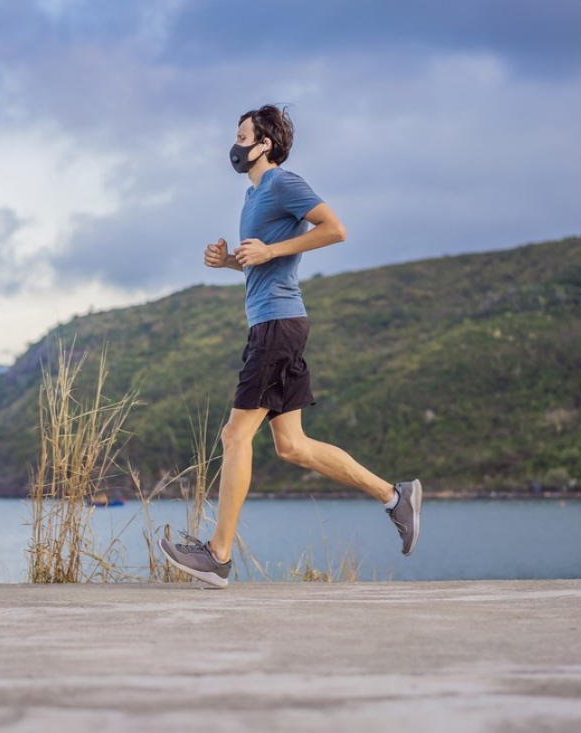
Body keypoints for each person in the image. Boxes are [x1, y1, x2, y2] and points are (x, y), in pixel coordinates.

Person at [158, 105, 422, 588]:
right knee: (293, 446)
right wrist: (231, 265)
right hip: (273, 324)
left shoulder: (284, 183)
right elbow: (262, 263)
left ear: (264, 145)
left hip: (278, 326)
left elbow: (335, 229)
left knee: (234, 437)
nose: (235, 146)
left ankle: (218, 556)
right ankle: (394, 496)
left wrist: (271, 250)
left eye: (242, 137)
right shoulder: (251, 195)